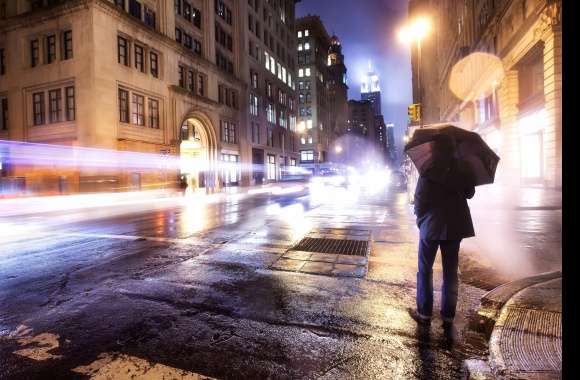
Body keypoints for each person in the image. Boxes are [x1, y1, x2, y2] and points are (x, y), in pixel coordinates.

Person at [408, 135, 476, 335]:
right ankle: (447, 316)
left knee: (425, 269)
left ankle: (425, 314)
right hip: (455, 225)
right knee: (450, 272)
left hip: (431, 225)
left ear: (435, 149)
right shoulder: (462, 168)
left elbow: (420, 199)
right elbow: (470, 193)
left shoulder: (429, 169)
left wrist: (421, 220)